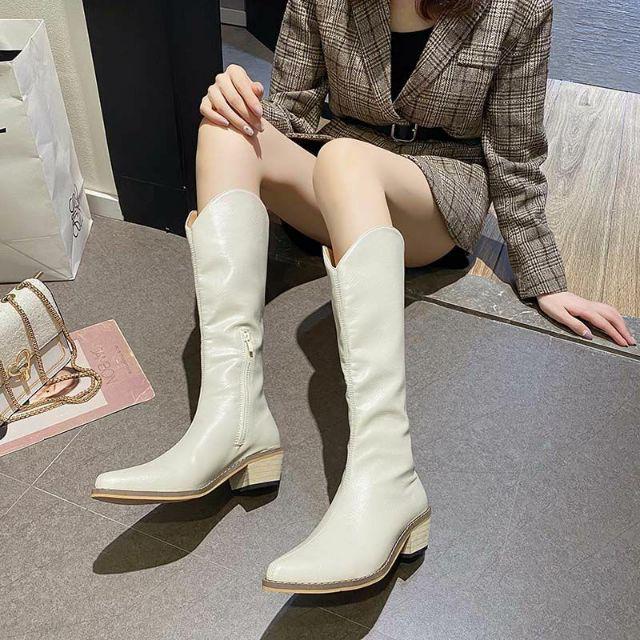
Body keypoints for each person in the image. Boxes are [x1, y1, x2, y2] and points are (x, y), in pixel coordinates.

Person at [92, 0, 636, 595]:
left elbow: (515, 158)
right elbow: (291, 109)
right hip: (334, 174)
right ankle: (231, 422)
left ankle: (389, 481)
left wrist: (545, 279)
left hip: (432, 192)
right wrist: (241, 101)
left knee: (344, 159)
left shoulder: (516, 8)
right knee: (226, 128)